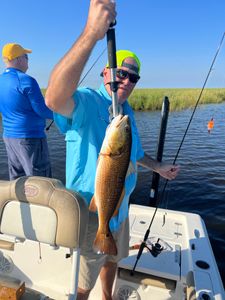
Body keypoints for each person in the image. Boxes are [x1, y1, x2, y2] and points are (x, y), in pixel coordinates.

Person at [45, 1, 179, 299]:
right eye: (121, 72)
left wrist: (157, 167)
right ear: (106, 72)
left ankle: (107, 297)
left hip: (120, 205)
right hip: (92, 208)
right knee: (85, 275)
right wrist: (92, 32)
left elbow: (133, 155)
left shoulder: (126, 112)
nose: (127, 81)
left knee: (112, 259)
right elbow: (54, 98)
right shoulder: (88, 102)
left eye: (134, 77)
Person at [0, 43, 53, 180]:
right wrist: (64, 114)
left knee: (18, 179)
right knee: (40, 181)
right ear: (18, 59)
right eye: (26, 57)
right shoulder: (26, 80)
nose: (28, 62)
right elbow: (42, 111)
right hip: (30, 139)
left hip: (9, 138)